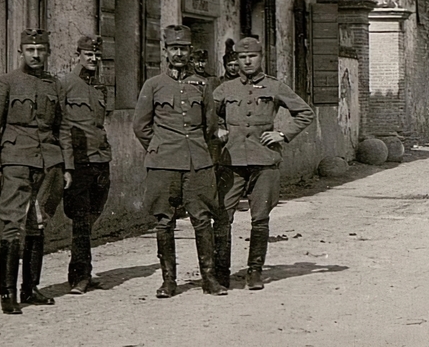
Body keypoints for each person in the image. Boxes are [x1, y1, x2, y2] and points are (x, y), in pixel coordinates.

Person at [209, 36, 313, 290]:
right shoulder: (225, 89)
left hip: (264, 159)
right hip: (230, 159)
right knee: (222, 215)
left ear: (260, 57)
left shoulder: (275, 86)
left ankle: (255, 271)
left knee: (260, 217)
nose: (247, 61)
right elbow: (206, 115)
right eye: (242, 58)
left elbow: (305, 113)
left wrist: (283, 134)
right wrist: (217, 130)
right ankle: (221, 273)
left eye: (251, 56)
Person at [0, 28, 72, 314]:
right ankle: (8, 294)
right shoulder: (5, 83)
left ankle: (30, 289)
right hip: (15, 162)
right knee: (12, 224)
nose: (35, 55)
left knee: (38, 223)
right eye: (30, 50)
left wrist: (67, 166)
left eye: (40, 50)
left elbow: (64, 128)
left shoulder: (54, 86)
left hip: (48, 162)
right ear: (20, 50)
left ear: (48, 52)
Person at [134, 25, 226, 298]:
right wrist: (160, 149)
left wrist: (198, 151)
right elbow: (141, 126)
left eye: (183, 49)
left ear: (189, 52)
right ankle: (168, 281)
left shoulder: (202, 85)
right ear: (165, 52)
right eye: (173, 48)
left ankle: (209, 279)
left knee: (202, 219)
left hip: (197, 161)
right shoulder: (153, 85)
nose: (178, 53)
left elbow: (210, 125)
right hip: (163, 164)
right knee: (164, 221)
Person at [61, 35, 111, 294]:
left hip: (101, 159)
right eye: (88, 54)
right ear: (77, 55)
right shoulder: (66, 85)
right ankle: (79, 276)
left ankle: (83, 269)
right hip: (79, 162)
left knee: (93, 214)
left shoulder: (101, 88)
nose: (93, 59)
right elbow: (60, 126)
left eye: (97, 55)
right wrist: (66, 165)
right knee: (80, 219)